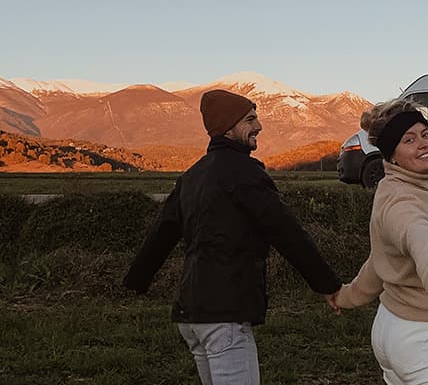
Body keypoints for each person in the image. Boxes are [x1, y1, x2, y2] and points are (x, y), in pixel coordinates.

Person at [123, 89, 341, 385]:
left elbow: (161, 232)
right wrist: (327, 285)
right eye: (250, 119)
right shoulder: (245, 174)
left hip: (190, 315)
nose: (259, 126)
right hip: (223, 315)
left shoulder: (192, 176)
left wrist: (136, 280)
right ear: (228, 127)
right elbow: (287, 233)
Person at [332, 98, 428, 384]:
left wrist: (347, 296)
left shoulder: (396, 188)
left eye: (425, 134)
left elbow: (380, 261)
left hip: (392, 325)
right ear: (391, 156)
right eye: (409, 140)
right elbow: (417, 232)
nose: (423, 144)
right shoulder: (401, 200)